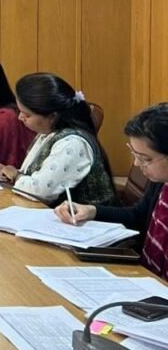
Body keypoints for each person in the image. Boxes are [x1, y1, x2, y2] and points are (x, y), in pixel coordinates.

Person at [54, 104, 168, 279]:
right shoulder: (162, 181)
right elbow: (138, 216)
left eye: (145, 158)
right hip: (147, 277)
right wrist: (92, 211)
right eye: (135, 155)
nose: (136, 164)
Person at [0, 73, 115, 208]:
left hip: (87, 221)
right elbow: (37, 176)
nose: (20, 118)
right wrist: (2, 169)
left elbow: (39, 191)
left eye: (27, 115)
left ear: (52, 116)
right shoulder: (48, 133)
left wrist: (16, 176)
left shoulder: (73, 144)